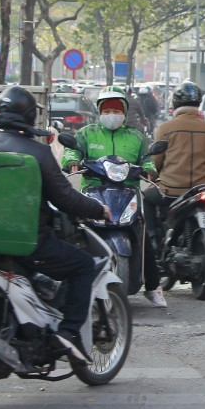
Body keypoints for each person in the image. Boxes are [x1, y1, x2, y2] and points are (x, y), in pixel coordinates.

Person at [0, 86, 110, 361]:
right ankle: (69, 334)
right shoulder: (37, 152)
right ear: (28, 115)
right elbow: (66, 199)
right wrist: (99, 209)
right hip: (28, 244)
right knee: (83, 265)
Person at [60, 87, 166, 308]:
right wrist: (71, 160)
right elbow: (73, 151)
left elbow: (147, 158)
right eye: (107, 110)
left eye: (116, 110)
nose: (112, 114)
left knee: (142, 233)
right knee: (72, 231)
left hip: (127, 192)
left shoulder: (136, 136)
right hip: (94, 191)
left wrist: (149, 169)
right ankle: (64, 283)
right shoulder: (87, 134)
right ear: (99, 111)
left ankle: (154, 287)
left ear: (125, 112)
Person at [146, 81, 205, 250]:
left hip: (171, 190)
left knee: (146, 197)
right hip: (201, 189)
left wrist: (154, 174)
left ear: (175, 103)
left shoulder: (165, 128)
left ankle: (153, 240)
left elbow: (157, 161)